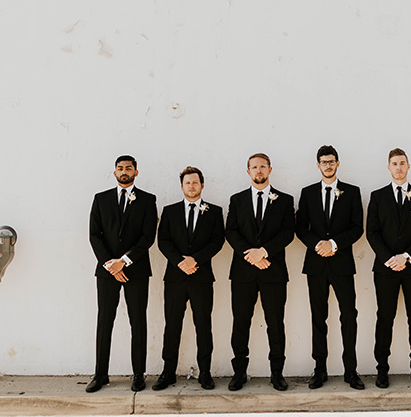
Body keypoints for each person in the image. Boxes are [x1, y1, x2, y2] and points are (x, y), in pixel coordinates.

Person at [86, 155, 158, 393]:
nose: (124, 171)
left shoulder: (148, 200)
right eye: (120, 168)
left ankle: (139, 374)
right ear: (114, 172)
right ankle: (100, 374)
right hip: (107, 272)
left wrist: (124, 261)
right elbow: (94, 235)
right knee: (104, 321)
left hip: (136, 270)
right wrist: (110, 264)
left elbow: (148, 236)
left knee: (138, 321)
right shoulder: (101, 198)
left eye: (129, 168)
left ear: (136, 172)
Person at [296, 145, 365, 390]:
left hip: (342, 263)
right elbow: (300, 227)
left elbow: (358, 228)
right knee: (318, 318)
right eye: (324, 162)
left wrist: (334, 244)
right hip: (316, 265)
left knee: (349, 316)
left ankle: (351, 371)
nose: (328, 165)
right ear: (318, 165)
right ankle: (320, 370)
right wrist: (318, 244)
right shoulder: (307, 193)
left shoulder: (352, 192)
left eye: (331, 161)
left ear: (338, 163)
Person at [225, 153, 295, 391]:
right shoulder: (237, 200)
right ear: (248, 172)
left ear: (270, 169)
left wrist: (264, 252)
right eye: (254, 167)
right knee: (240, 323)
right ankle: (239, 373)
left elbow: (287, 233)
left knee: (275, 323)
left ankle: (277, 373)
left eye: (262, 167)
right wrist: (251, 254)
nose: (258, 171)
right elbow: (231, 232)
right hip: (243, 273)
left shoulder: (285, 200)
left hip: (273, 271)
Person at [366, 148, 411, 389]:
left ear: (408, 166)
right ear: (388, 167)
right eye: (394, 163)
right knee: (385, 318)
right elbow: (371, 233)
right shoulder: (377, 196)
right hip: (385, 269)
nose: (398, 167)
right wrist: (390, 259)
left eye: (402, 163)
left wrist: (406, 256)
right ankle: (382, 370)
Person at [152, 166, 225, 391]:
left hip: (201, 277)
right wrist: (180, 262)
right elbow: (163, 241)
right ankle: (168, 372)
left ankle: (205, 372)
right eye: (187, 183)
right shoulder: (170, 211)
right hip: (175, 278)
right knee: (172, 325)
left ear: (202, 185)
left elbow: (217, 240)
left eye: (195, 182)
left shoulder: (214, 211)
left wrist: (195, 260)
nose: (191, 186)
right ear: (181, 186)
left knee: (203, 325)